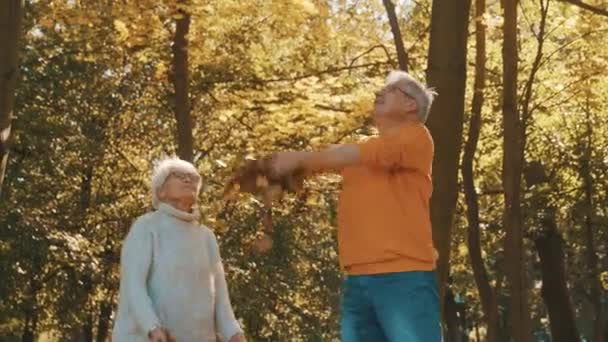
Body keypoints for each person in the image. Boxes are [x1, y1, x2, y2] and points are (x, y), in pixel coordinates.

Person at [270, 70, 441, 341]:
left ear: (412, 105)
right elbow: (326, 162)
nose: (380, 93)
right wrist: (278, 172)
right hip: (357, 278)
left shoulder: (417, 137)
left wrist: (299, 159)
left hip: (403, 276)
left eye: (392, 89)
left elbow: (342, 156)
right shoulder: (360, 152)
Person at [112, 157, 246, 342]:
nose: (188, 180)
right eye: (178, 175)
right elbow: (134, 285)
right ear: (161, 191)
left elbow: (220, 297)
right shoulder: (146, 227)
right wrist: (152, 327)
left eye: (193, 177)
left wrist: (233, 333)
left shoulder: (206, 237)